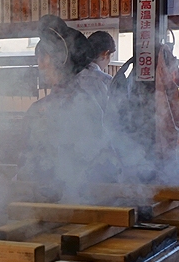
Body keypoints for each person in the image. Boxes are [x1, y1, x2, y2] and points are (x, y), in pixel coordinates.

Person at [19, 16, 114, 196]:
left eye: (40, 57)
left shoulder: (41, 110)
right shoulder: (86, 101)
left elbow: (30, 164)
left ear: (46, 60)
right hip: (85, 196)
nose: (38, 65)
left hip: (55, 198)